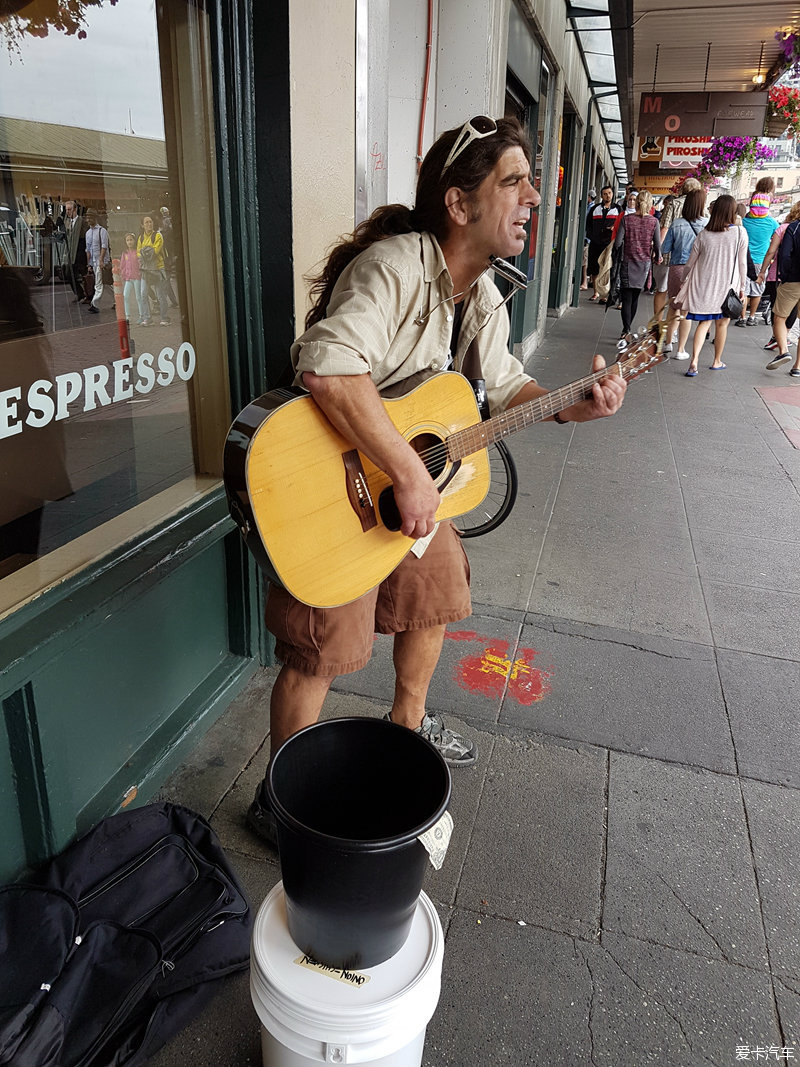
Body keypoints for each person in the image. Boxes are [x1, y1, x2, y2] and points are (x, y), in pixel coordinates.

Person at [245, 116, 627, 846]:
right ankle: (277, 799)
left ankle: (405, 731)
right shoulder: (393, 267)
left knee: (437, 597)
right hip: (333, 489)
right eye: (513, 182)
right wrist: (401, 469)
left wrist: (575, 404)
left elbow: (511, 385)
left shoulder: (479, 293)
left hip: (408, 489)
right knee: (321, 646)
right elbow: (326, 366)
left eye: (530, 183)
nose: (532, 198)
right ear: (459, 204)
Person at [674, 194, 747, 376]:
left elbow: (690, 263)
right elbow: (742, 263)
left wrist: (684, 279)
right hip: (727, 288)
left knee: (704, 323)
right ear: (732, 213)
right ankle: (716, 361)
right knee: (722, 325)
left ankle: (694, 362)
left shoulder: (704, 234)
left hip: (704, 287)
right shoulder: (739, 233)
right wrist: (743, 287)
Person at [662, 186, 708, 358]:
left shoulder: (676, 224)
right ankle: (681, 349)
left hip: (676, 269)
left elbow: (665, 248)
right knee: (686, 311)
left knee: (673, 306)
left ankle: (667, 343)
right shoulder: (706, 225)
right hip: (696, 271)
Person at [613, 189, 661, 346]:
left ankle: (625, 330)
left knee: (626, 298)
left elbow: (618, 242)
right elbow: (658, 247)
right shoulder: (654, 222)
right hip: (644, 264)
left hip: (628, 262)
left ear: (637, 201)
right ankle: (627, 329)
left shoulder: (627, 220)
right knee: (635, 298)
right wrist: (656, 254)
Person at [755, 199, 800, 354]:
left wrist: (763, 272)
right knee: (791, 313)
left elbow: (772, 252)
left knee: (778, 313)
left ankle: (781, 344)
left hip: (782, 276)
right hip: (791, 277)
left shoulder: (785, 229)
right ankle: (786, 342)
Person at [736, 185, 778, 328]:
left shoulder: (745, 221)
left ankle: (741, 318)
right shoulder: (772, 223)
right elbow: (777, 238)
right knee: (757, 290)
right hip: (762, 261)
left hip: (744, 260)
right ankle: (752, 317)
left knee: (744, 289)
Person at [586, 185, 621, 302]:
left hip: (609, 244)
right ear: (601, 196)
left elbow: (621, 225)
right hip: (596, 243)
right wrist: (592, 236)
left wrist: (614, 231)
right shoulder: (595, 209)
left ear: (612, 194)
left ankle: (604, 295)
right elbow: (588, 225)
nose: (607, 195)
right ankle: (596, 292)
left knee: (607, 268)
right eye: (605, 194)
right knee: (595, 268)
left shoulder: (618, 209)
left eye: (609, 193)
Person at [137, 215, 171, 327]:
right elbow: (138, 253)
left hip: (157, 268)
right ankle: (147, 318)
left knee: (160, 295)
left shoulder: (158, 235)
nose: (149, 224)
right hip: (145, 270)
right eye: (146, 222)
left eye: (150, 222)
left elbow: (155, 251)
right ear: (142, 225)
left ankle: (164, 318)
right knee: (143, 294)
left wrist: (144, 252)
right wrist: (146, 252)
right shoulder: (140, 238)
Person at [56, 200, 88, 303]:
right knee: (69, 274)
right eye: (66, 210)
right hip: (70, 253)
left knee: (84, 275)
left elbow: (85, 237)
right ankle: (79, 293)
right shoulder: (67, 222)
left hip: (80, 252)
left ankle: (88, 295)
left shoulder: (82, 222)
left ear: (75, 209)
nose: (68, 212)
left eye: (69, 210)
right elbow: (65, 237)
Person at [83, 209, 110, 315]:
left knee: (98, 284)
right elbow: (88, 249)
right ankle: (116, 301)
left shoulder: (102, 231)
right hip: (93, 262)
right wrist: (88, 263)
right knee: (107, 285)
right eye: (87, 217)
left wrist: (101, 260)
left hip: (101, 261)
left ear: (95, 218)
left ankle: (95, 304)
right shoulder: (88, 233)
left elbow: (104, 246)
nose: (88, 220)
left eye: (90, 217)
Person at [119, 232, 148, 326]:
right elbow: (122, 265)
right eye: (127, 240)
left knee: (138, 297)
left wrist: (140, 273)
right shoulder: (125, 253)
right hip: (128, 278)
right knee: (125, 296)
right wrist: (123, 276)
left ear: (134, 241)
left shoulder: (137, 252)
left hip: (137, 278)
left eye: (131, 240)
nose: (129, 242)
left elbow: (140, 263)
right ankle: (127, 316)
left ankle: (142, 315)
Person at [580, 188, 596, 290]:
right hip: (586, 237)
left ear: (589, 197)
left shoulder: (591, 208)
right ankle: (586, 281)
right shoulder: (589, 207)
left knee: (584, 260)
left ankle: (585, 282)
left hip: (587, 238)